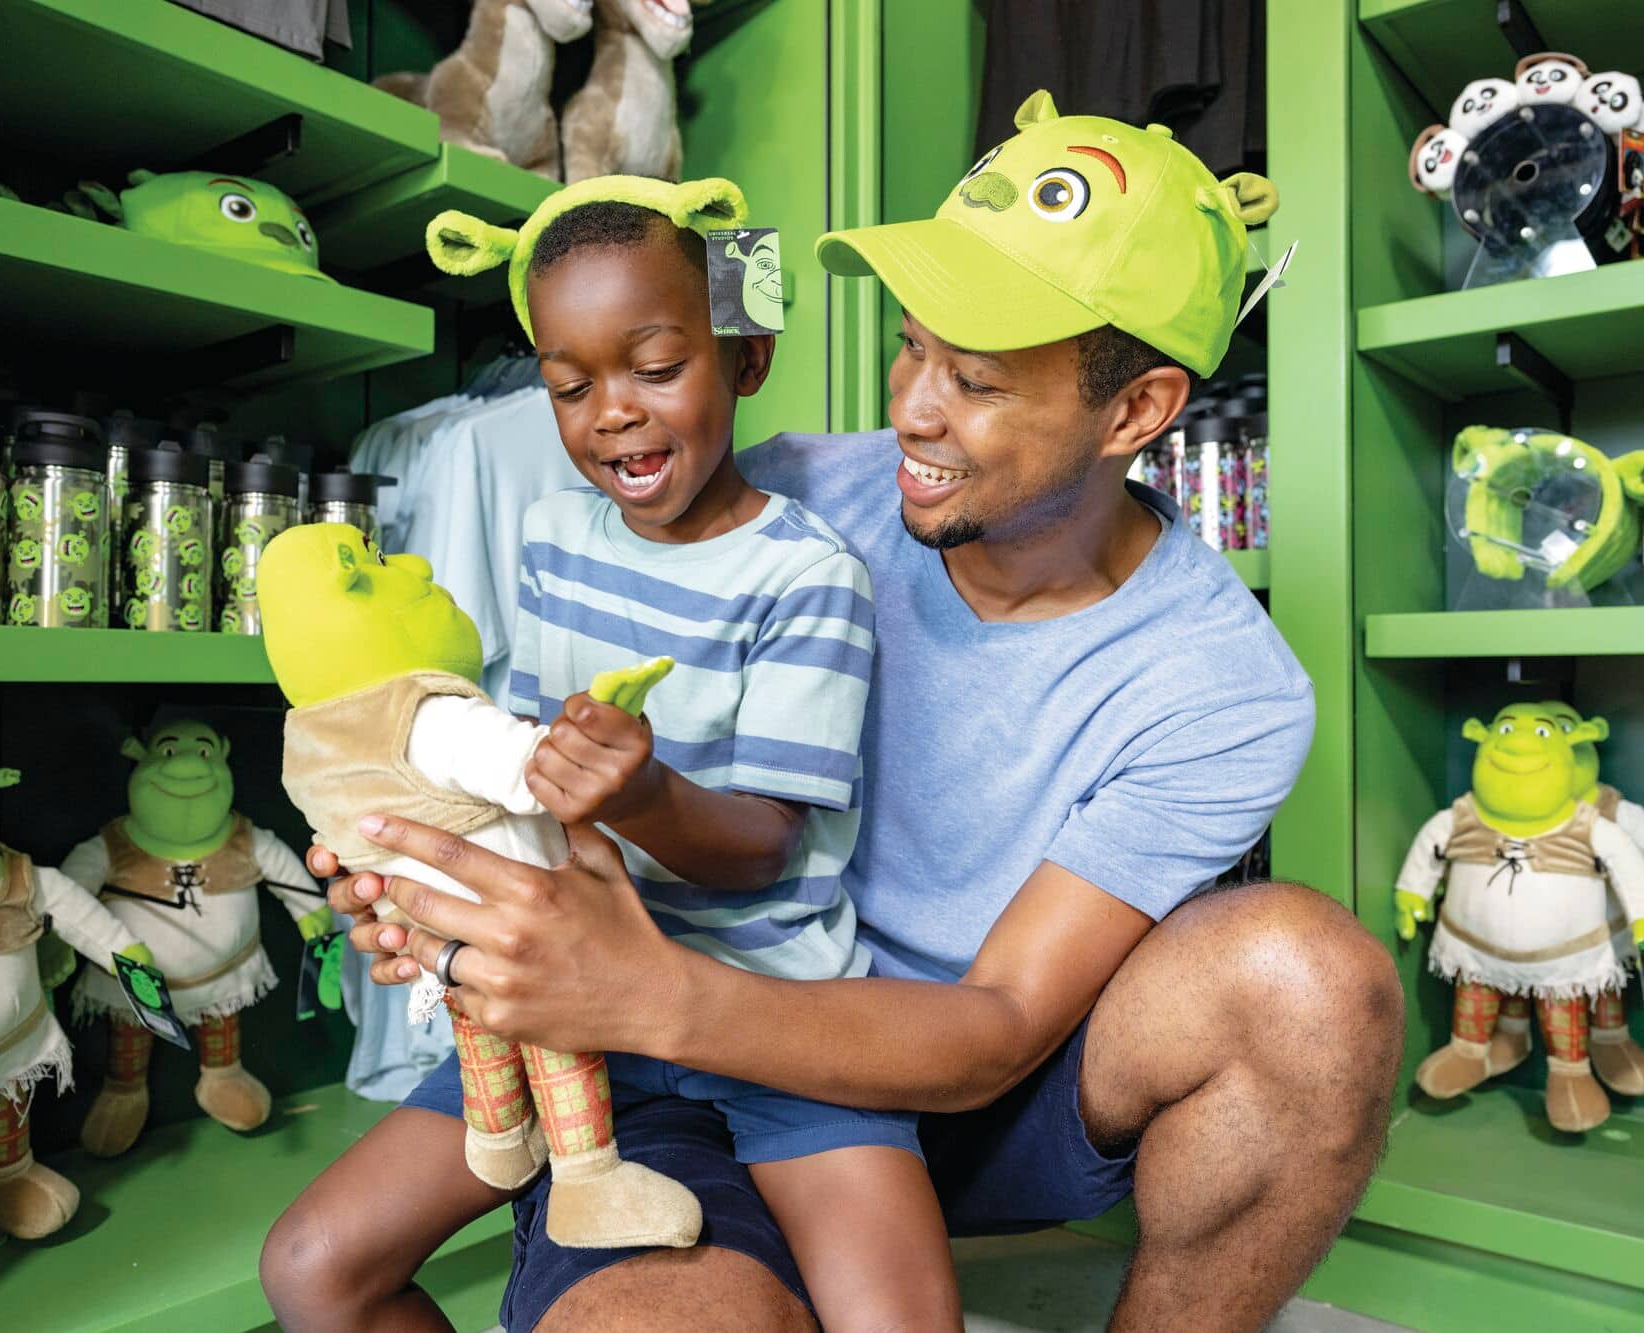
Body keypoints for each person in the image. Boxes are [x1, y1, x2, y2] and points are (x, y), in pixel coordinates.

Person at [261, 92, 1402, 1332]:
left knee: (1311, 985)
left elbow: (999, 1026)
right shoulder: (768, 499)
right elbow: (535, 782)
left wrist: (638, 987)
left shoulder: (1223, 683)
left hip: (970, 1083)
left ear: (1135, 412)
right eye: (912, 348)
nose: (910, 408)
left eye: (972, 380)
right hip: (678, 1057)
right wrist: (440, 885)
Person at [266, 175, 960, 1331]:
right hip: (574, 1009)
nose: (612, 413)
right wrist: (415, 874)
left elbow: (762, 846)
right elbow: (525, 791)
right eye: (570, 385)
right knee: (311, 1266)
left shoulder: (807, 574)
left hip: (774, 1017)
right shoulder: (550, 539)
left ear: (744, 356)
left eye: (656, 367)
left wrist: (639, 793)